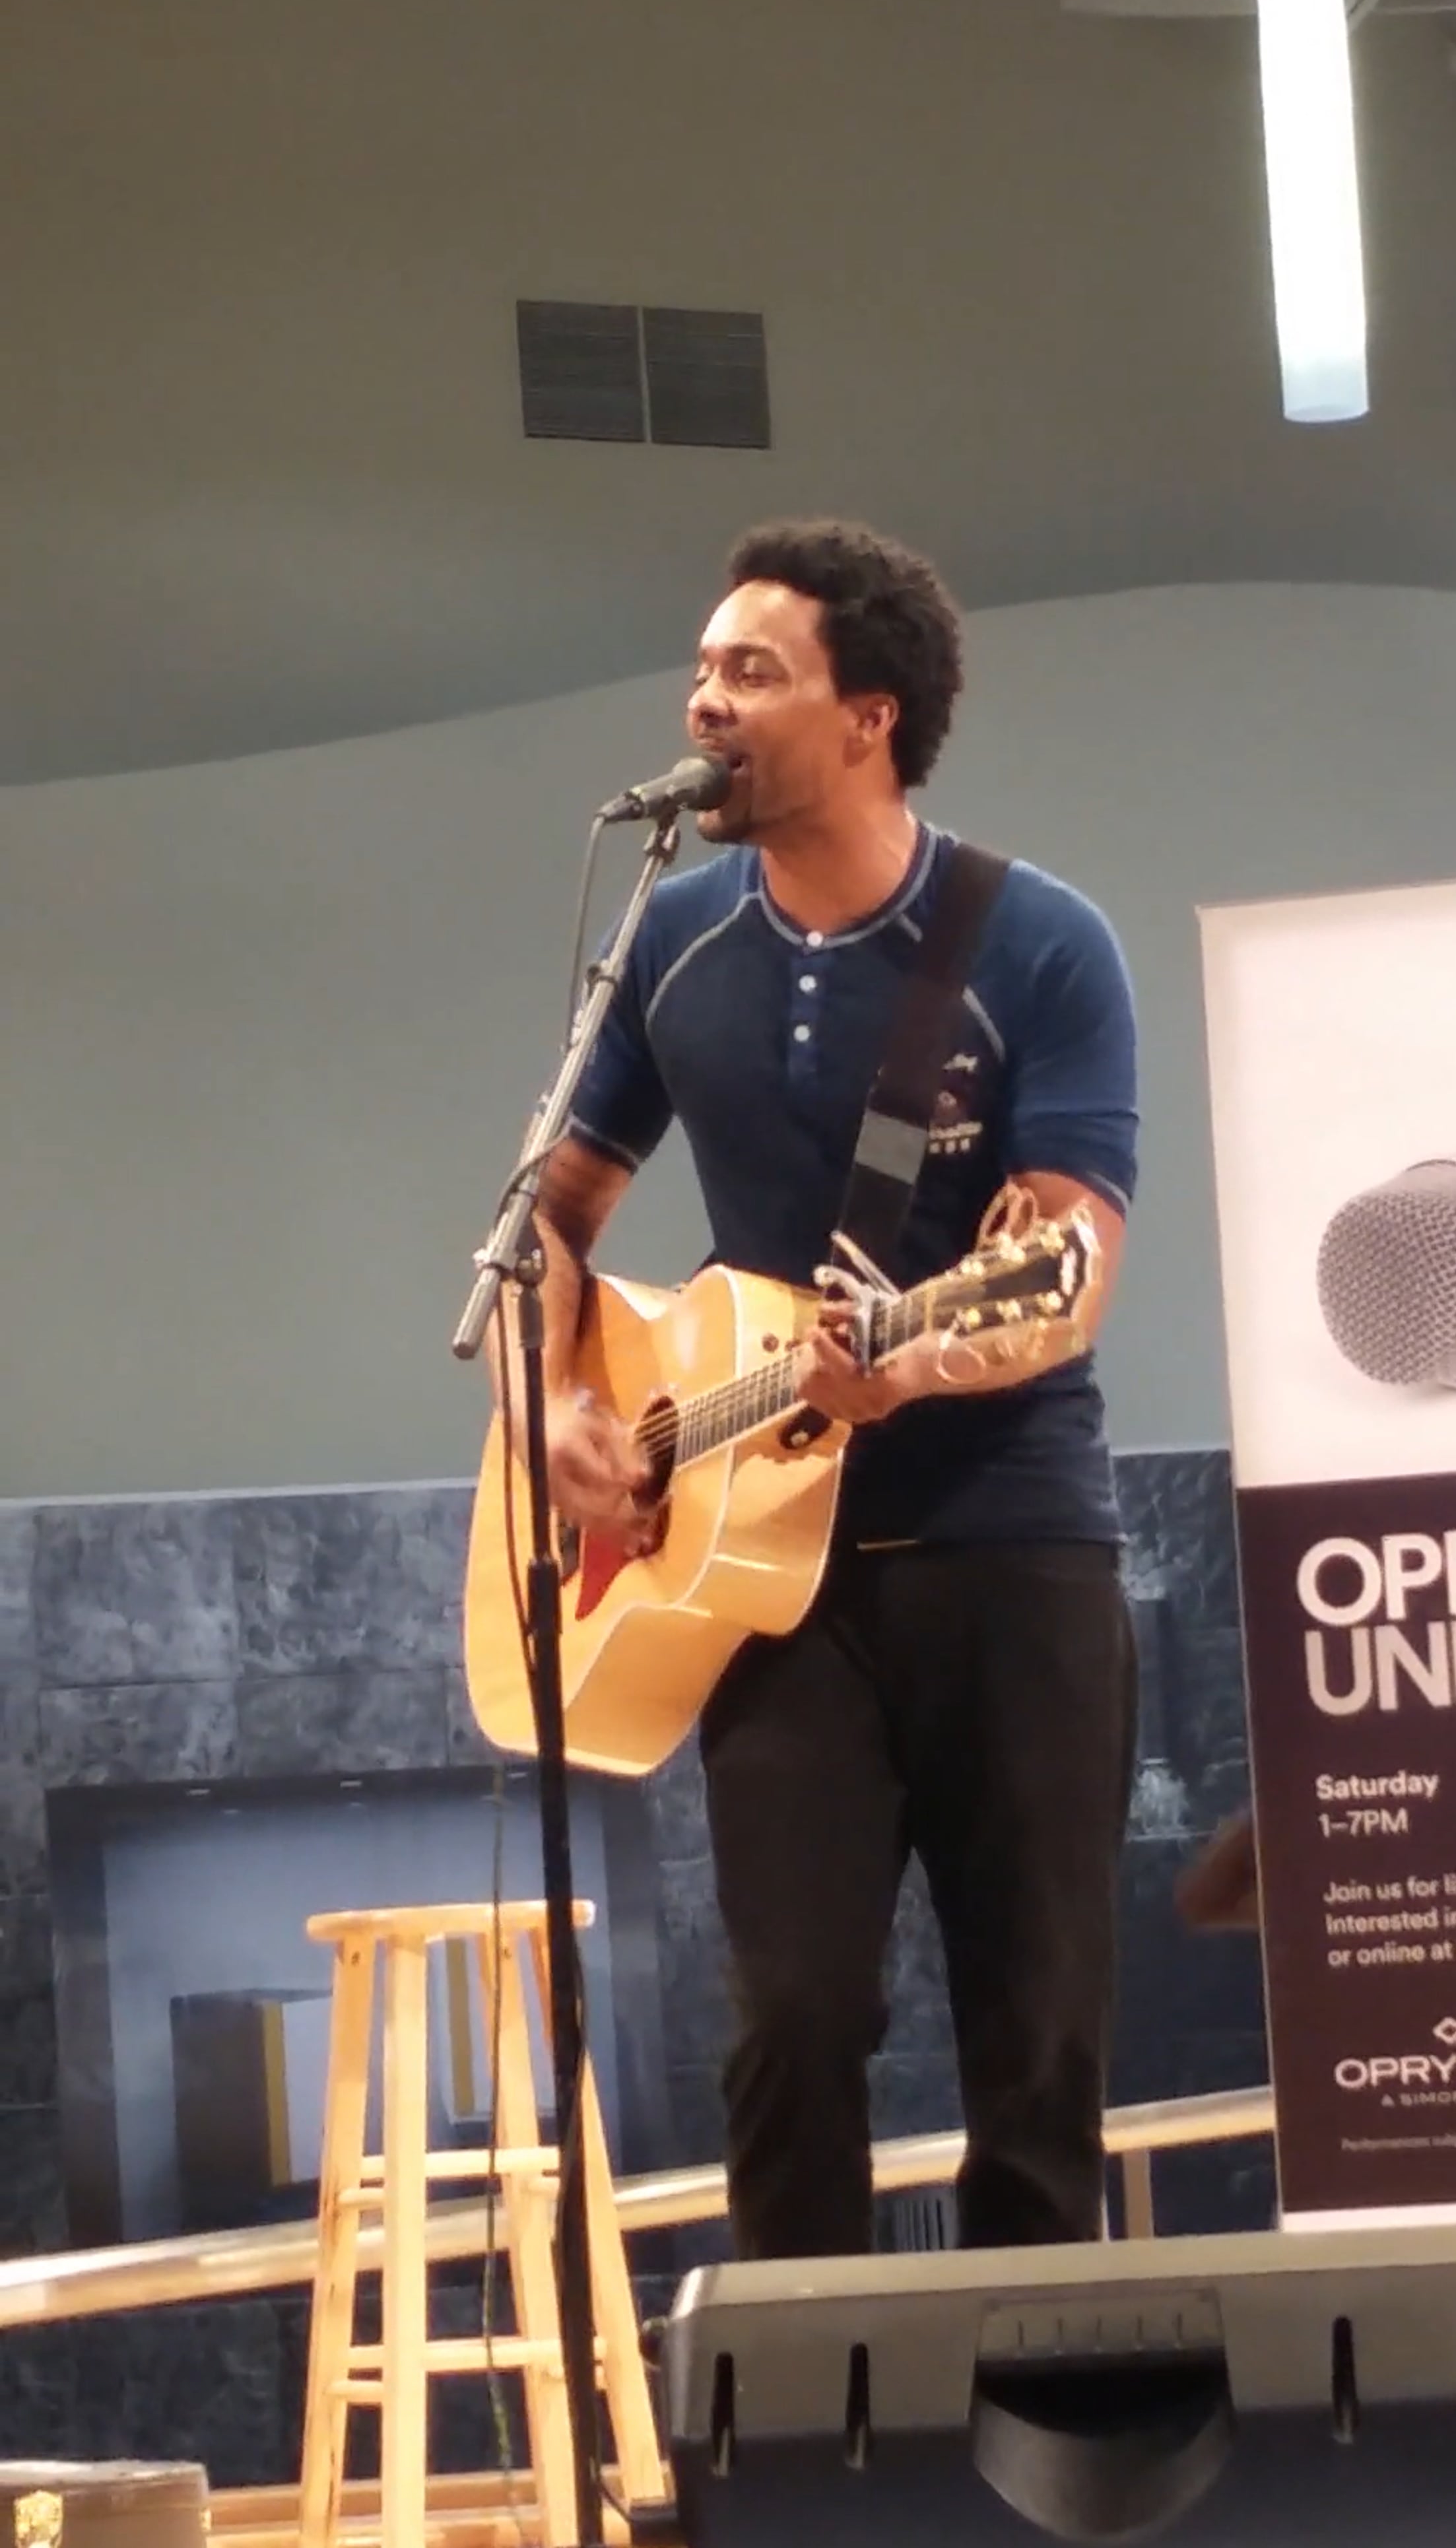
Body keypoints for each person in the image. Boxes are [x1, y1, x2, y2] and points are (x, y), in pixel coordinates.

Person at [494, 518, 1139, 2259]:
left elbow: (1065, 1266)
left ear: (869, 717)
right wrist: (551, 1408)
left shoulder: (1041, 944)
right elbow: (551, 1217)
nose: (703, 700)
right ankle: (801, 2410)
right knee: (788, 2026)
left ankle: (1040, 2417)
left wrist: (918, 1359)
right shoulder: (673, 937)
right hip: (766, 1580)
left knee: (1037, 2037)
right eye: (703, 667)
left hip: (1011, 1552)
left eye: (751, 671)